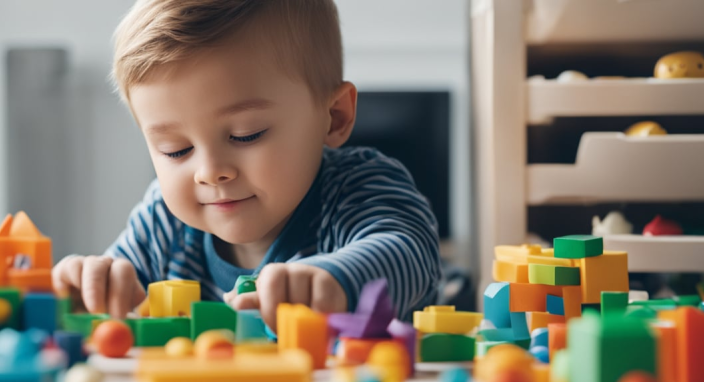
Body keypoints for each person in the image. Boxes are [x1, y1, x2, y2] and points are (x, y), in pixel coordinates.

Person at [52, 0, 441, 330]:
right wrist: (94, 284)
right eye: (175, 150)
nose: (210, 171)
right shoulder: (162, 226)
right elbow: (115, 290)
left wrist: (334, 281)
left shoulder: (357, 188)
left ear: (334, 116)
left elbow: (409, 253)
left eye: (245, 135)